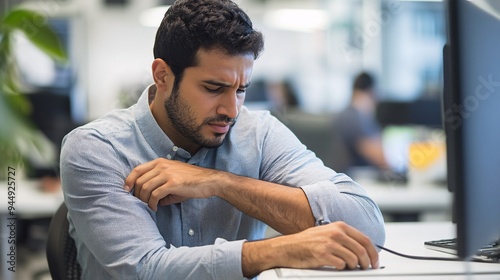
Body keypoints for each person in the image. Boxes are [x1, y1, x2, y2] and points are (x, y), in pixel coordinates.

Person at [60, 1, 385, 279]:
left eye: (241, 89)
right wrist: (278, 250)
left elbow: (366, 226)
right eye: (213, 88)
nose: (231, 110)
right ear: (162, 76)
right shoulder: (96, 149)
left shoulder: (257, 133)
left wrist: (221, 183)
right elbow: (147, 270)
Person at [333, 72, 391, 175]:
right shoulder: (354, 118)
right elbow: (380, 159)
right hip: (358, 178)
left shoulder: (346, 115)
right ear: (372, 92)